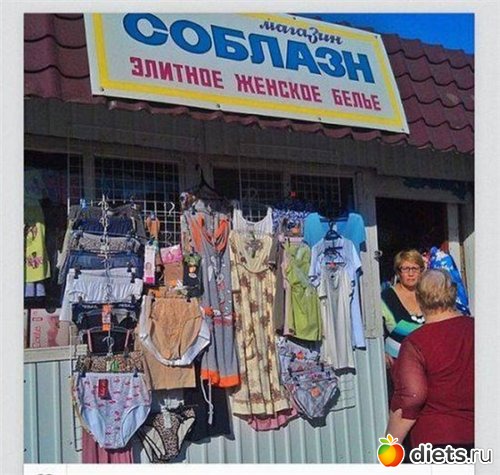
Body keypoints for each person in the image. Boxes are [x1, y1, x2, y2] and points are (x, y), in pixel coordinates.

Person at [386, 269, 474, 453]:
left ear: (419, 298)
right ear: (453, 294)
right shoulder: (480, 329)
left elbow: (411, 398)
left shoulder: (415, 342)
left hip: (437, 441)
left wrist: (388, 448)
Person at [382, 250, 426, 370]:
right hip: (399, 364)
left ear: (421, 271)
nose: (411, 273)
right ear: (398, 272)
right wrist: (382, 354)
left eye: (415, 268)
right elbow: (377, 332)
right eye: (405, 269)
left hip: (428, 362)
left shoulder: (428, 294)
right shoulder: (386, 298)